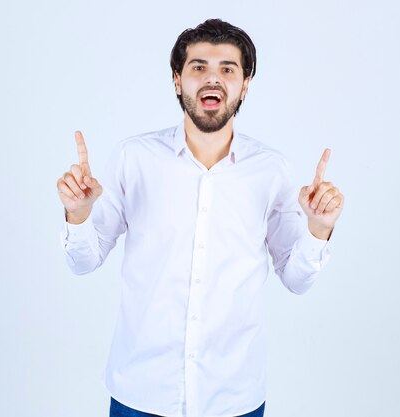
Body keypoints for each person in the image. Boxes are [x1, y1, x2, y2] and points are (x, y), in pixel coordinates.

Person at [57, 18, 344, 417]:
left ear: (245, 85)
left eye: (228, 68)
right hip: (141, 391)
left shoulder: (271, 170)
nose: (213, 79)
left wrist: (318, 228)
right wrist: (78, 213)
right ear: (177, 80)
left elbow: (295, 280)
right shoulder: (133, 158)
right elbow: (83, 262)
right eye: (199, 67)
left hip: (234, 396)